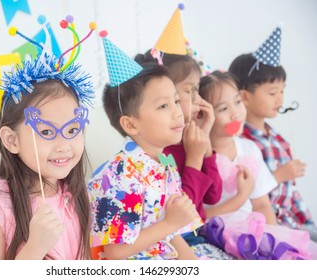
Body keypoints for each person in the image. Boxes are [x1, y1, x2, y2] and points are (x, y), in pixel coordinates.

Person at [0, 18, 96, 259]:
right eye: (46, 132)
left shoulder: (72, 194)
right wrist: (35, 248)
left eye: (73, 130)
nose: (64, 145)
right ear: (12, 140)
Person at [88, 32, 201, 260]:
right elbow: (115, 251)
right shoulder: (119, 176)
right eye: (163, 106)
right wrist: (171, 222)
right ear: (130, 124)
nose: (178, 112)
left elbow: (171, 234)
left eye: (176, 101)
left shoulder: (164, 163)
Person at [133, 4, 224, 256]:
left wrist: (205, 146)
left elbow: (214, 196)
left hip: (200, 236)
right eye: (189, 91)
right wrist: (194, 158)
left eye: (197, 89)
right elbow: (184, 216)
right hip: (175, 243)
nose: (197, 98)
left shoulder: (191, 136)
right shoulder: (157, 148)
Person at [198, 70, 317, 260]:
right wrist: (242, 196)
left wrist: (275, 242)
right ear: (202, 116)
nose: (235, 113)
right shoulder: (199, 155)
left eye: (237, 102)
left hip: (253, 230)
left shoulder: (249, 149)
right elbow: (198, 215)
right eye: (223, 109)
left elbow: (262, 205)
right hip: (215, 233)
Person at [228, 26, 317, 241]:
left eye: (282, 91)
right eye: (272, 93)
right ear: (245, 97)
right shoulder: (239, 143)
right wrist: (279, 176)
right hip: (266, 225)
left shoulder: (278, 140)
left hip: (293, 223)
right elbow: (244, 192)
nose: (280, 100)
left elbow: (293, 193)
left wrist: (308, 223)